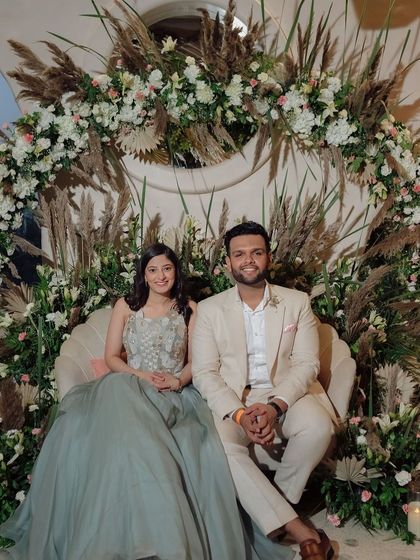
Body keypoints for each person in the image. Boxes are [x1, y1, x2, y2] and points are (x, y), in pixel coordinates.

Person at [0, 243, 293, 560]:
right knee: (100, 420)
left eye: (167, 268)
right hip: (130, 383)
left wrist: (178, 379)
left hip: (175, 393)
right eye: (153, 270)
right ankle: (123, 536)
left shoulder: (190, 309)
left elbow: (201, 362)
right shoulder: (126, 306)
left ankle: (164, 540)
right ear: (143, 274)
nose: (160, 275)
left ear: (175, 271)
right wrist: (139, 376)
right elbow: (111, 357)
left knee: (200, 445)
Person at [192, 222, 336, 560]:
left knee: (318, 427)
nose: (248, 260)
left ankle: (273, 510)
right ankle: (301, 531)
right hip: (234, 398)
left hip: (286, 394)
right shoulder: (210, 309)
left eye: (256, 252)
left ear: (268, 257)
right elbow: (204, 372)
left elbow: (306, 364)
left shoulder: (296, 302)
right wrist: (241, 414)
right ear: (227, 262)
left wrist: (274, 408)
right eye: (239, 254)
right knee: (222, 446)